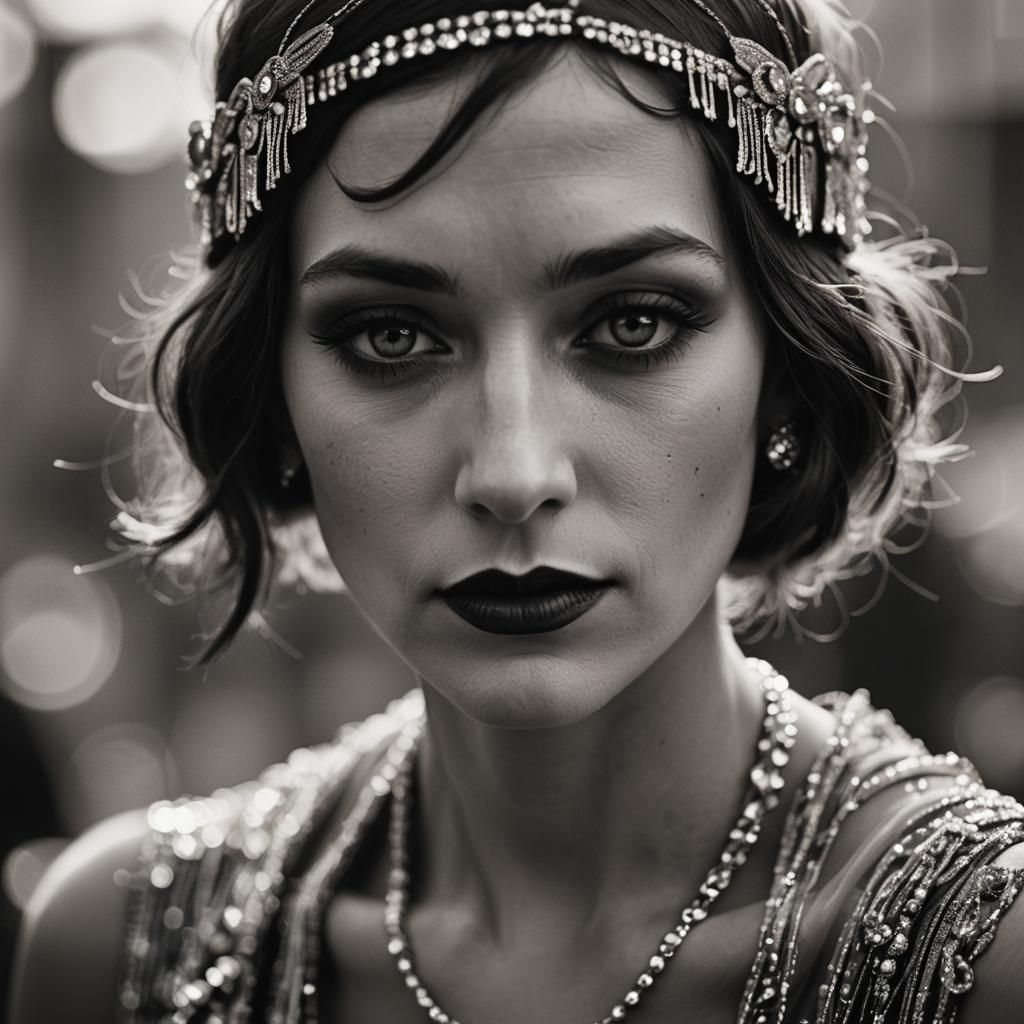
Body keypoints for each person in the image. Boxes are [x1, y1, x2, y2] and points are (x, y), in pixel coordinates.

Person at [10, 0, 1024, 1021]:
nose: (511, 469)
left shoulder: (990, 966)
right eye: (392, 336)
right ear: (270, 392)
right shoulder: (117, 957)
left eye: (632, 323)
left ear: (788, 369)